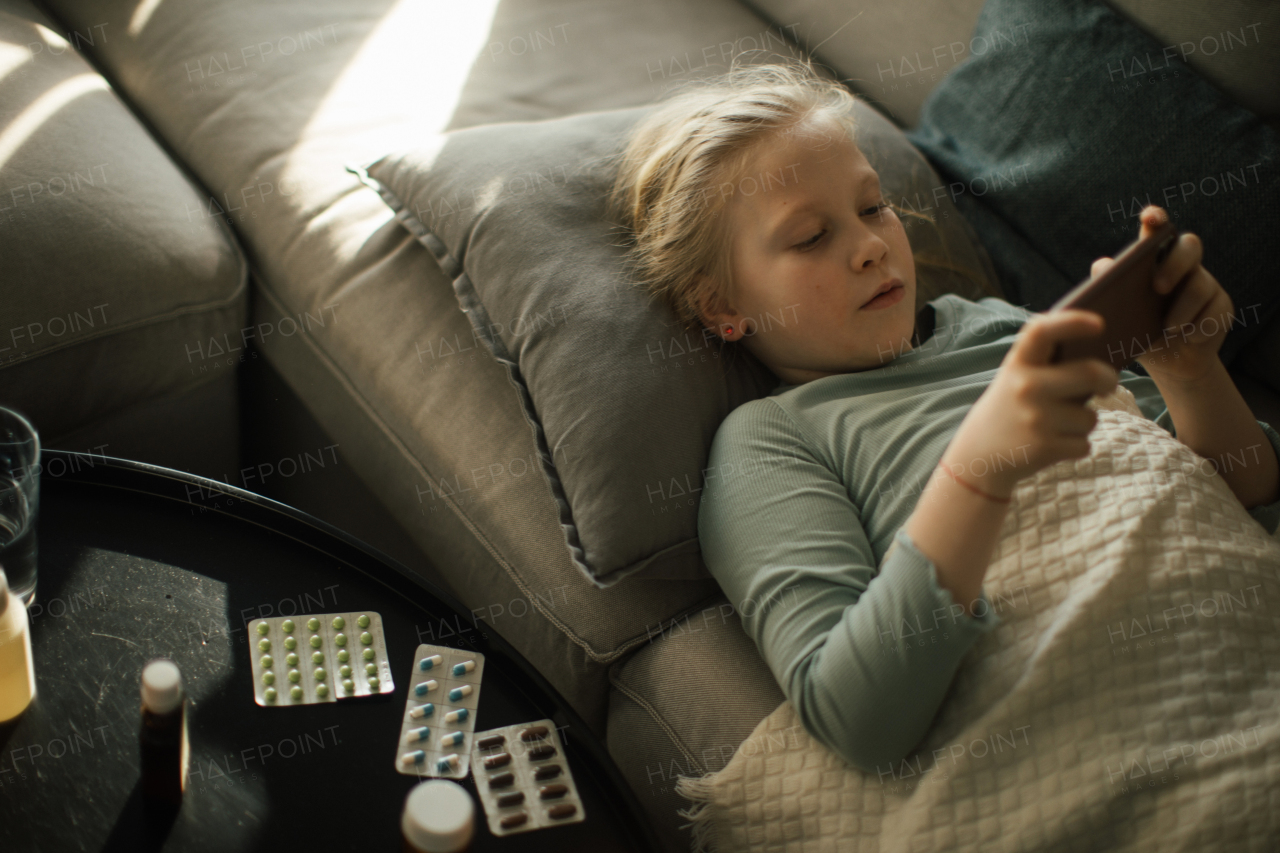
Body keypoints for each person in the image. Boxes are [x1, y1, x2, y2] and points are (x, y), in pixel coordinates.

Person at [606, 60, 1280, 775]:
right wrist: (978, 469)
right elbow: (857, 717)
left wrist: (1192, 375)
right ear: (722, 307)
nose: (870, 246)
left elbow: (1243, 501)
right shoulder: (771, 440)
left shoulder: (995, 328)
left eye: (873, 207)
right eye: (809, 237)